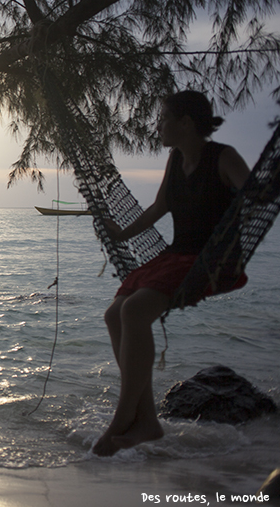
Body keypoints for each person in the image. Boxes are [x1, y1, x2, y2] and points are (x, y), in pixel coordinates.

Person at [92, 90, 251, 457]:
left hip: (210, 260)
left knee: (134, 312)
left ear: (186, 122)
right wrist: (122, 233)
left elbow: (255, 194)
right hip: (176, 256)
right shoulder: (175, 159)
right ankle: (147, 419)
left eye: (163, 118)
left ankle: (124, 416)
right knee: (114, 313)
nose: (158, 125)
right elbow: (159, 207)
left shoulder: (223, 157)